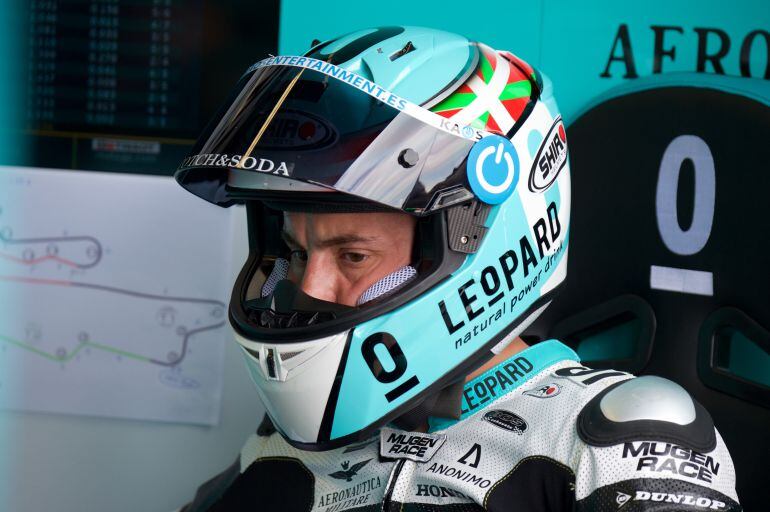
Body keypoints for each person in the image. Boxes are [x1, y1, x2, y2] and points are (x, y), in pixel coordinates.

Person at [174, 26, 741, 511]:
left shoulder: (616, 441)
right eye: (297, 254)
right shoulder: (282, 450)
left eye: (353, 256)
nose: (311, 289)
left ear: (479, 238)